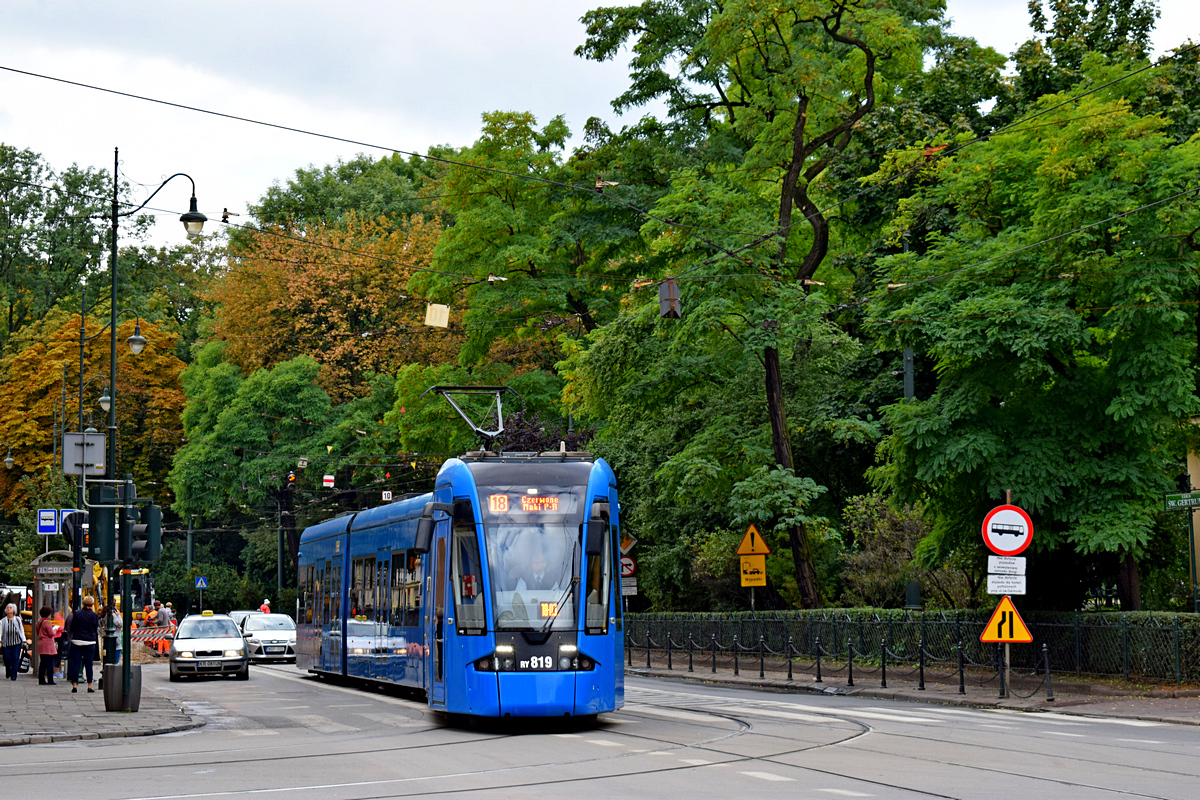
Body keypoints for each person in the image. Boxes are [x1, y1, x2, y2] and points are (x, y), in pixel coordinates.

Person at [67, 595, 100, 694]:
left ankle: (75, 685)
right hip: (90, 641)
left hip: (77, 640)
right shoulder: (94, 615)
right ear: (93, 604)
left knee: (76, 663)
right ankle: (90, 686)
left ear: (83, 603)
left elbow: (73, 626)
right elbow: (95, 627)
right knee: (89, 664)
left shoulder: (76, 613)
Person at [1, 603, 27, 680]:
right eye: (8, 608)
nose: (9, 609)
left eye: (11, 608)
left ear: (14, 610)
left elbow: (21, 630)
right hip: (6, 642)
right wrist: (0, 641)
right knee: (7, 659)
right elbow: (0, 632)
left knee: (15, 658)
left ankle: (14, 674)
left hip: (16, 642)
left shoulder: (18, 620)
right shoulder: (2, 621)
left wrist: (24, 640)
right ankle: (8, 669)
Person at [35, 607, 59, 685]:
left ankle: (41, 679)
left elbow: (38, 632)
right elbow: (51, 634)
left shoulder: (39, 622)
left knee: (43, 663)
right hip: (48, 645)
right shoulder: (47, 623)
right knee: (50, 663)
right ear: (48, 614)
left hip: (41, 643)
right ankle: (50, 680)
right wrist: (55, 630)